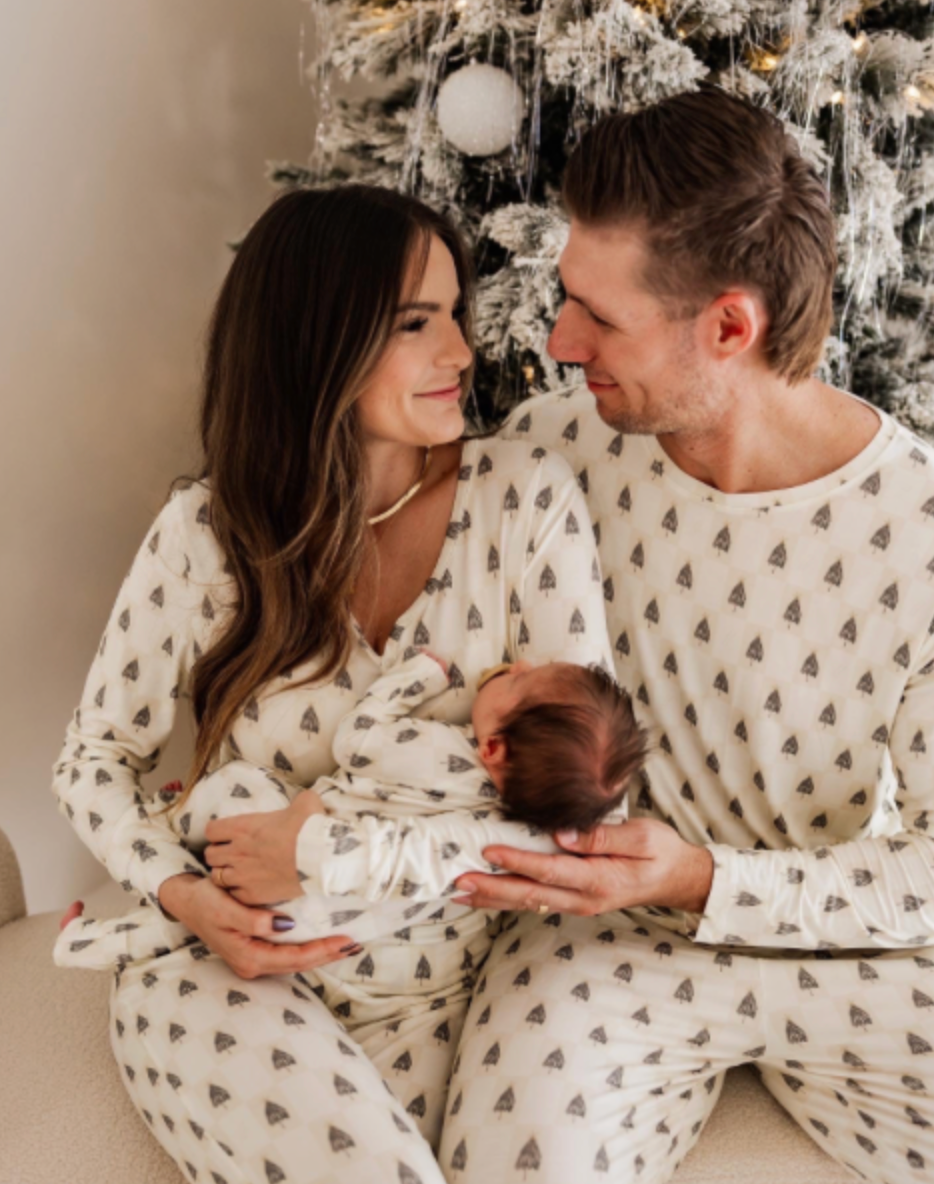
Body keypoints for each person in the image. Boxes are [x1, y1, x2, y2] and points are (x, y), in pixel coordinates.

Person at [210, 90, 934, 1182]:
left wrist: (701, 876)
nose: (556, 341)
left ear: (728, 327)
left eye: (600, 316)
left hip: (849, 946)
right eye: (565, 299)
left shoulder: (917, 531)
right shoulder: (554, 452)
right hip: (595, 942)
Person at [51, 182, 617, 1184]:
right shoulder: (206, 533)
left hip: (452, 979)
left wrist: (338, 851)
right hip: (223, 967)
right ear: (319, 339)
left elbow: (578, 820)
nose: (460, 351)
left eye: (455, 314)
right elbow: (94, 761)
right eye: (414, 322)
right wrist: (181, 893)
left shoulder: (526, 499)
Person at [55, 649, 645, 963]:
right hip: (329, 925)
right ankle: (87, 945)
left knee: (240, 782)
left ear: (492, 746)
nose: (521, 663)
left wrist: (414, 679)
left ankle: (169, 821)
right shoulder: (506, 837)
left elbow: (356, 740)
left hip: (272, 847)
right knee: (204, 928)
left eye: (520, 681)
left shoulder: (441, 753)